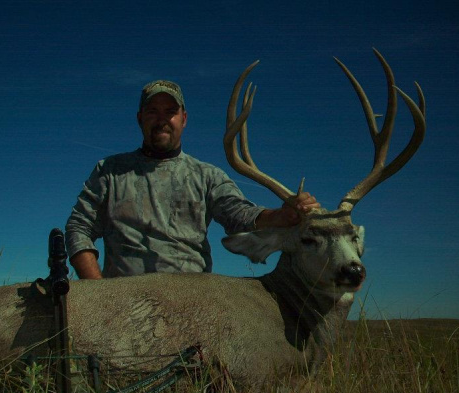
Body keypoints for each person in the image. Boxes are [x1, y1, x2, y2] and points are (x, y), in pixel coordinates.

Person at [65, 79, 320, 280]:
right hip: (123, 301)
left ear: (183, 119)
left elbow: (237, 214)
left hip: (192, 302)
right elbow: (79, 227)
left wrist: (278, 216)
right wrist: (97, 291)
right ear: (140, 118)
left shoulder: (206, 175)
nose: (162, 119)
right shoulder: (110, 171)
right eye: (152, 111)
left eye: (170, 111)